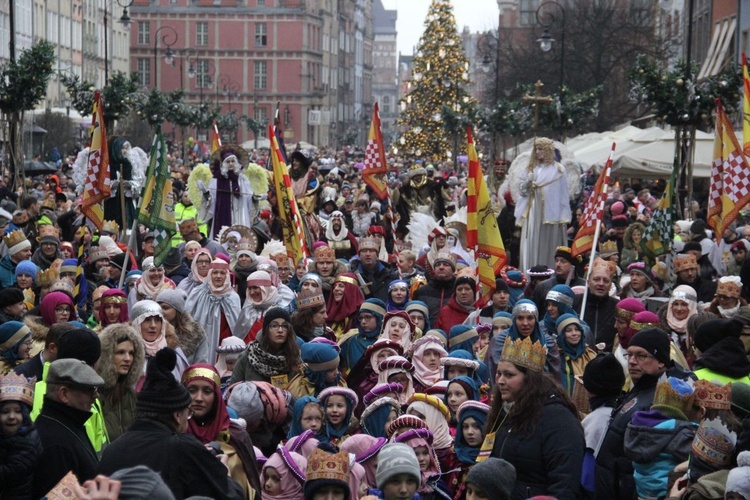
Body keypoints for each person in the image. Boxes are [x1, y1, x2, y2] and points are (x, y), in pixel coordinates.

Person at [98, 348, 245, 499]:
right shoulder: (183, 448)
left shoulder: (112, 450)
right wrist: (224, 473)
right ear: (176, 415)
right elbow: (234, 497)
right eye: (187, 413)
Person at [595, 328, 692, 499]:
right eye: (630, 355)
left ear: (661, 361)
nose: (632, 361)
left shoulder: (663, 400)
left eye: (641, 355)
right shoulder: (641, 388)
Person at [488, 335, 584, 498]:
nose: (501, 381)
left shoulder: (559, 420)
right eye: (499, 374)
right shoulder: (506, 412)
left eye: (509, 375)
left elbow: (565, 484)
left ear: (530, 380)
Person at [181, 363, 261, 498]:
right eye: (192, 390)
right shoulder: (172, 435)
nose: (199, 398)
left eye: (207, 391)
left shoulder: (236, 437)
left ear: (217, 396)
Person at [33, 358, 105, 497]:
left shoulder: (68, 425)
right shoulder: (56, 443)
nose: (96, 395)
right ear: (64, 394)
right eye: (90, 389)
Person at [514, 138, 572, 273]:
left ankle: (550, 272)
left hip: (551, 214)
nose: (538, 152)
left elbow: (563, 196)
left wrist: (563, 215)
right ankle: (529, 272)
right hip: (533, 212)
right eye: (536, 149)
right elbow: (522, 192)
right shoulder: (530, 168)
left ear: (547, 150)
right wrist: (528, 182)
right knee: (532, 243)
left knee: (548, 244)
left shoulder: (558, 169)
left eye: (541, 149)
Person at [196, 145, 259, 239]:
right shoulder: (217, 179)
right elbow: (211, 198)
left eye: (233, 161)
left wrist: (255, 198)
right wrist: (205, 193)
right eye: (228, 161)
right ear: (224, 164)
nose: (230, 164)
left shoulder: (242, 179)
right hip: (222, 213)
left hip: (240, 213)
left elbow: (248, 196)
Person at [95, 323, 145, 442]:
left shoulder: (131, 395)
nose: (127, 359)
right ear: (107, 355)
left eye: (131, 353)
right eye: (121, 352)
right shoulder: (94, 394)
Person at [230, 308, 302, 387]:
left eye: (284, 326)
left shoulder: (295, 357)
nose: (280, 330)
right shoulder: (248, 356)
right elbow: (233, 390)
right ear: (266, 330)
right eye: (274, 326)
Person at [184, 259, 241, 355]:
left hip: (223, 344)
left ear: (227, 276)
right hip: (200, 341)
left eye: (222, 273)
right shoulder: (197, 293)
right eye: (215, 272)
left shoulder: (233, 297)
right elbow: (188, 318)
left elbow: (235, 325)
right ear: (210, 274)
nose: (218, 276)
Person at [0, 371, 41, 499]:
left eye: (17, 411)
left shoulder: (29, 442)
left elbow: (8, 473)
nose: (12, 416)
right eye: (5, 411)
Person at [573, 258, 618, 351]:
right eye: (596, 279)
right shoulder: (575, 302)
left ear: (610, 285)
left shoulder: (617, 307)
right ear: (588, 282)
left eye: (606, 280)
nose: (601, 284)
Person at [156, 288, 210, 365]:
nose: (160, 311)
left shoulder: (196, 334)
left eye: (165, 307)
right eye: (158, 307)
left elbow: (201, 364)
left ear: (177, 310)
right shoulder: (151, 332)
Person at [234, 270, 286, 343]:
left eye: (255, 288)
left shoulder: (278, 309)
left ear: (265, 288)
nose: (252, 292)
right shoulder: (248, 309)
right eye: (250, 288)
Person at [530, 245, 586, 313]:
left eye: (563, 261)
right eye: (556, 261)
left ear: (573, 265)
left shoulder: (584, 286)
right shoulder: (543, 287)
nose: (558, 265)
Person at [339, 298, 387, 375]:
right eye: (361, 318)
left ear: (379, 318)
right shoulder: (350, 340)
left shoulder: (387, 341)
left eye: (368, 317)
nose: (363, 322)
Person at [555, 313, 597, 396]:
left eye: (577, 329)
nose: (574, 333)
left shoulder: (589, 354)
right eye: (568, 330)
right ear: (562, 334)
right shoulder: (555, 357)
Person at [412, 251, 457, 327]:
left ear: (452, 269)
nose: (441, 267)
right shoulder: (422, 291)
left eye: (446, 265)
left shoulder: (458, 291)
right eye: (438, 265)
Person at [353, 237, 397, 302]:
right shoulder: (352, 274)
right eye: (364, 251)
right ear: (359, 255)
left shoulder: (389, 275)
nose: (368, 254)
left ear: (377, 255)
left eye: (371, 251)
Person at [326, 272, 365, 338]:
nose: (335, 289)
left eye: (341, 286)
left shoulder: (360, 316)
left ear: (351, 290)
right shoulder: (328, 314)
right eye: (335, 286)